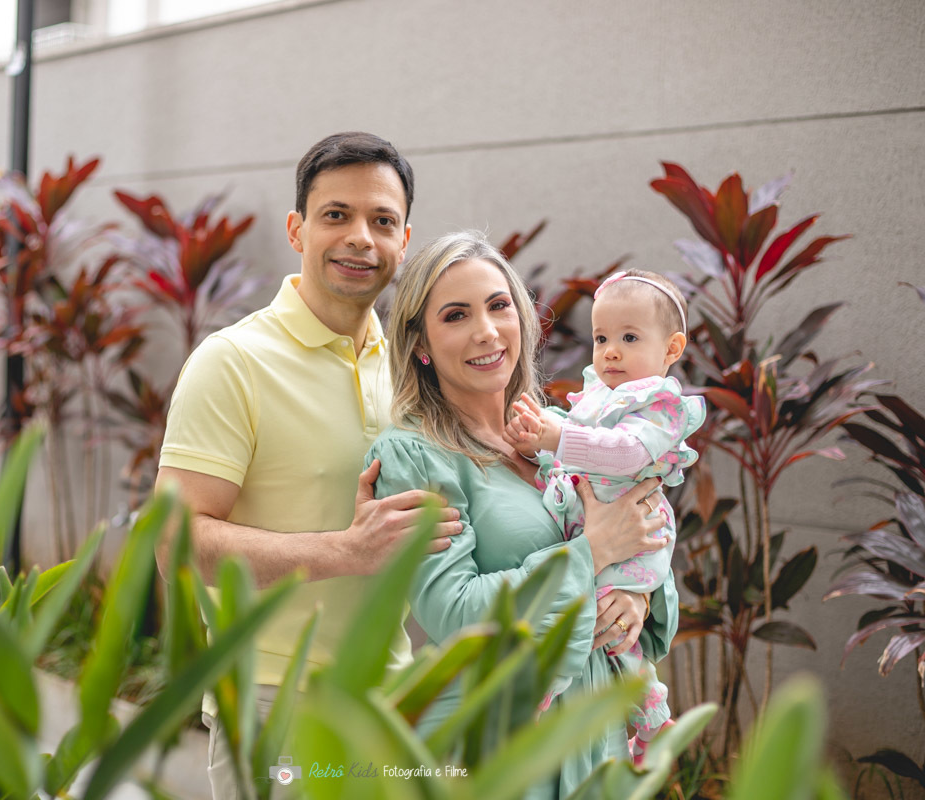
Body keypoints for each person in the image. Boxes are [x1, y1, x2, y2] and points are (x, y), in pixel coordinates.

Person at [154, 132, 463, 800]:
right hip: (273, 705)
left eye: (382, 221)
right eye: (336, 215)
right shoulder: (232, 362)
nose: (360, 237)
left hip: (389, 702)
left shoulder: (412, 369)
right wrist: (344, 551)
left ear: (404, 240)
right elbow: (176, 543)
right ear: (297, 229)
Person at [365, 231, 680, 796]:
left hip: (597, 730)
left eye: (498, 306)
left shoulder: (566, 431)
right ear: (422, 344)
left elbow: (641, 522)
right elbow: (454, 614)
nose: (486, 331)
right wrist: (593, 554)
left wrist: (638, 594)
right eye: (456, 315)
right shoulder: (414, 457)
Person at [504, 268, 705, 763]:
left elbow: (624, 454)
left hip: (633, 537)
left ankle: (538, 696)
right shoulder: (601, 396)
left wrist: (555, 438)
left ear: (672, 348)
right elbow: (575, 448)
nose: (610, 350)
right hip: (601, 528)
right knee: (616, 642)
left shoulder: (660, 406)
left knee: (589, 624)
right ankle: (654, 724)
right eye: (601, 337)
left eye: (629, 337)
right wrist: (542, 440)